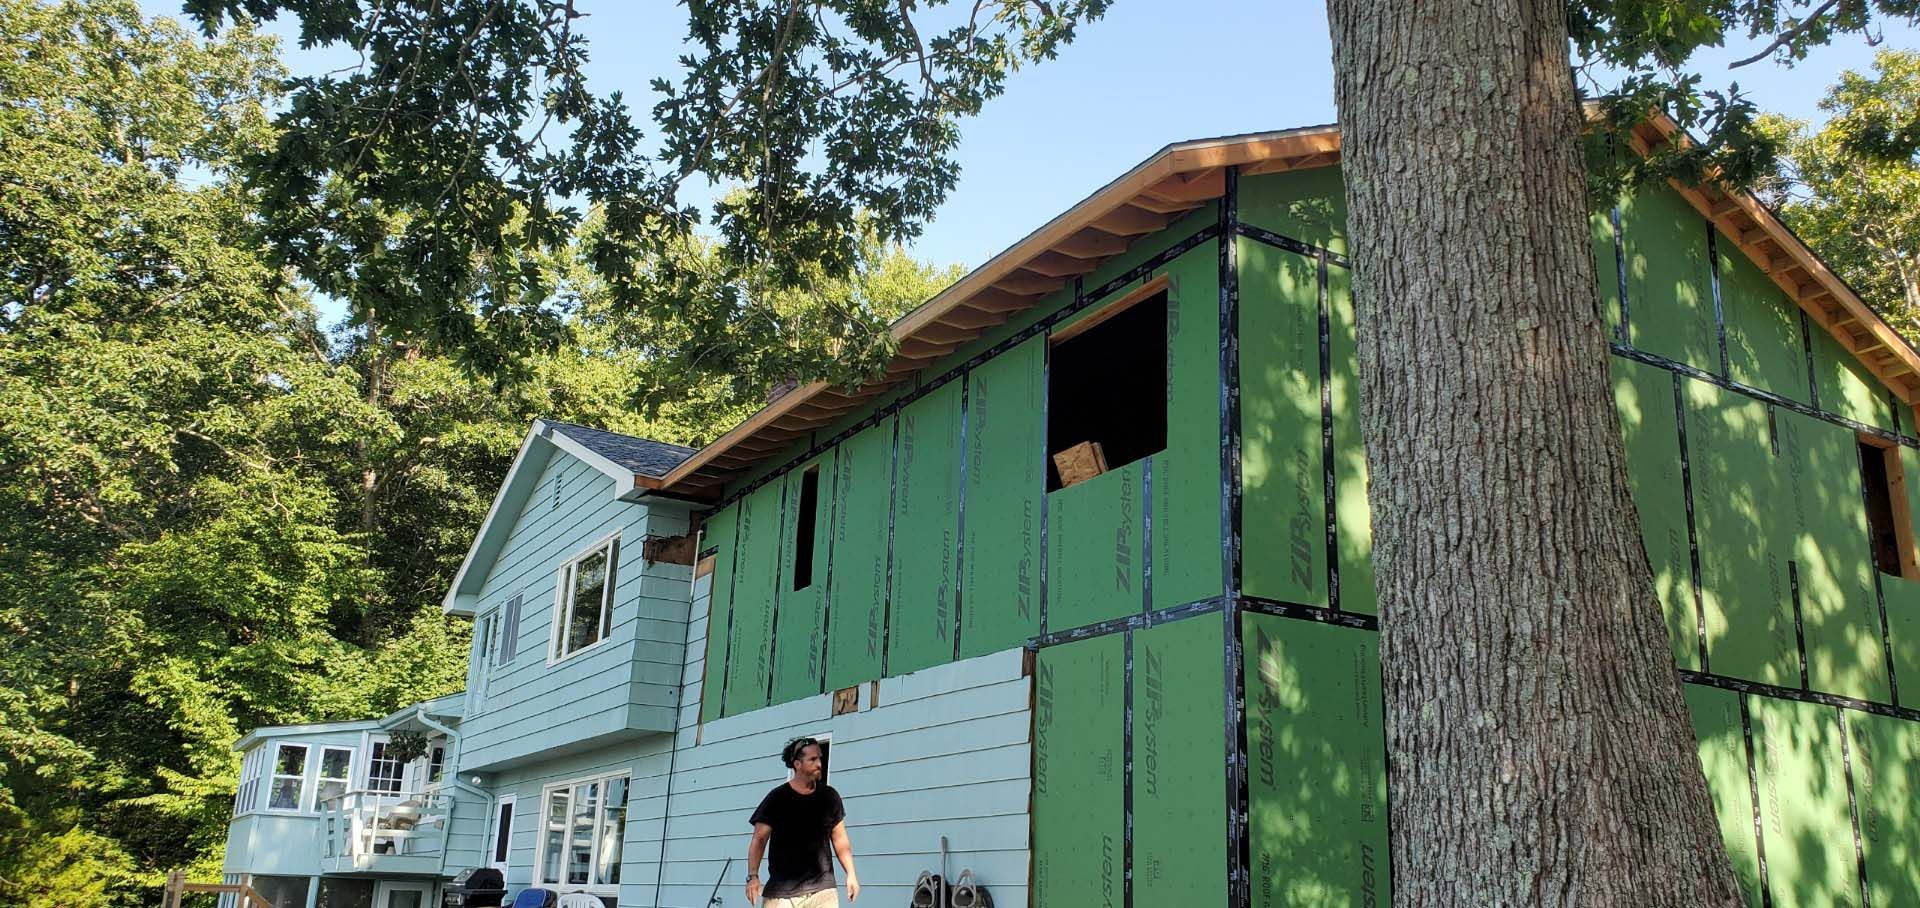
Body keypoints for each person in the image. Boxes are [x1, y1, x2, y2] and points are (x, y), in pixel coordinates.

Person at [745, 737, 860, 906]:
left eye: (819, 758)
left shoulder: (829, 796)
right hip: (782, 894)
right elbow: (759, 839)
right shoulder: (777, 798)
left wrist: (851, 874)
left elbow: (840, 839)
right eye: (812, 759)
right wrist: (753, 876)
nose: (819, 763)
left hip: (823, 891)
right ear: (797, 764)